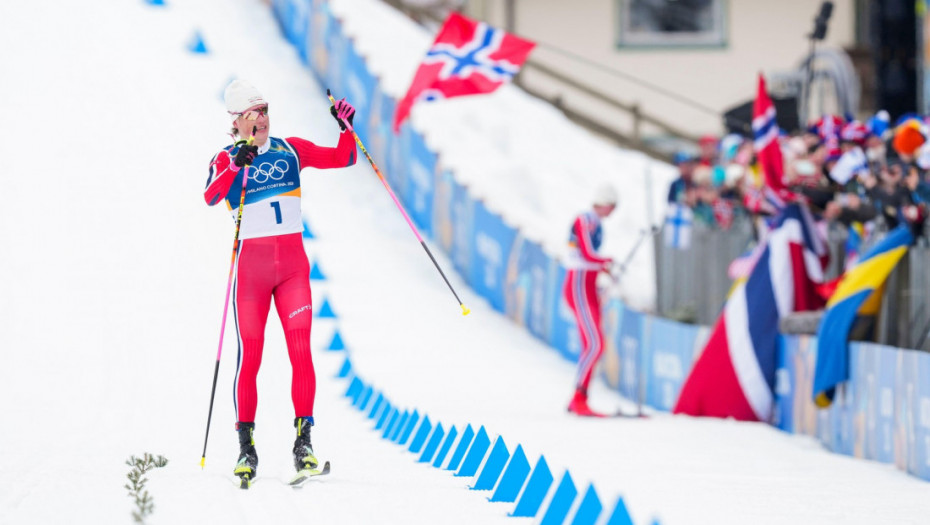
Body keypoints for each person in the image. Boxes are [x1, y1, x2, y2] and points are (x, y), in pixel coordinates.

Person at [203, 80, 358, 482]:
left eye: (265, 111)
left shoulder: (291, 150)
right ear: (237, 122)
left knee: (301, 350)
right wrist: (238, 162)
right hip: (252, 274)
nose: (263, 120)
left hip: (292, 269)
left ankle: (303, 442)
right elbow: (210, 195)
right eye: (253, 114)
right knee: (250, 356)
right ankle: (246, 448)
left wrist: (346, 126)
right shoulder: (225, 158)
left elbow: (344, 159)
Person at [563, 184, 618, 417]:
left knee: (593, 344)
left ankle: (579, 397)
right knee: (595, 344)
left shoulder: (595, 222)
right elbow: (586, 253)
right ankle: (579, 397)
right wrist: (604, 262)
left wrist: (603, 268)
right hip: (579, 285)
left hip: (588, 285)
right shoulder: (586, 219)